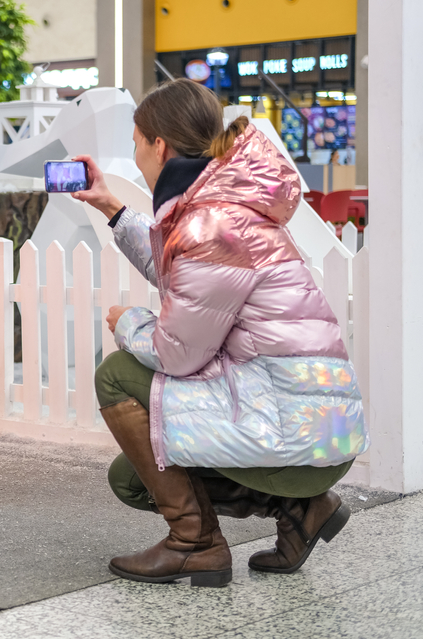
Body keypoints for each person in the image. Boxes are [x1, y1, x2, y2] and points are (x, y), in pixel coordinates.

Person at [71, 79, 368, 587]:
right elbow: (182, 273)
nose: (135, 151)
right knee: (131, 477)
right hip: (315, 428)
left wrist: (130, 322)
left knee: (117, 374)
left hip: (296, 433)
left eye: (137, 140)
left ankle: (195, 544)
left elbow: (177, 354)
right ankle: (302, 511)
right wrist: (113, 210)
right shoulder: (221, 207)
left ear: (158, 145)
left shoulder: (211, 222)